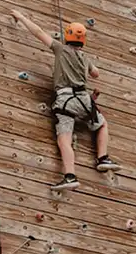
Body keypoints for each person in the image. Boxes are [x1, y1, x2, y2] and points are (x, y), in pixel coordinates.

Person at [11, 10, 121, 191]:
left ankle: (70, 176)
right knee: (102, 125)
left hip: (66, 101)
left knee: (64, 141)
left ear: (67, 36)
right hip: (85, 101)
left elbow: (38, 32)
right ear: (83, 39)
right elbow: (96, 74)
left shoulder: (60, 49)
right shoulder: (85, 57)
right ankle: (103, 158)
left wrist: (22, 17)